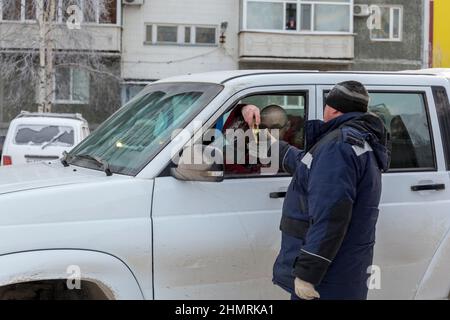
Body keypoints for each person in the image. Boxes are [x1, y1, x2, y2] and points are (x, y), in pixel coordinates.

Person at [241, 81, 390, 300]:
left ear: (333, 109)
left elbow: (331, 216)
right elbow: (308, 164)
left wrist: (307, 274)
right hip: (343, 270)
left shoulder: (337, 147)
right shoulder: (356, 141)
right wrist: (273, 145)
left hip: (326, 279)